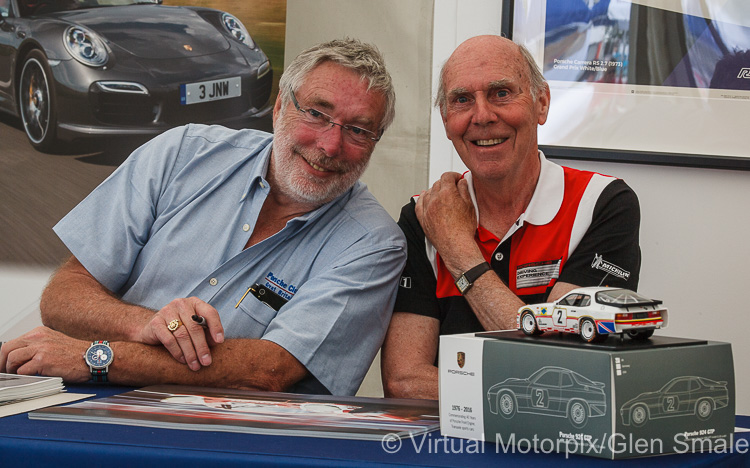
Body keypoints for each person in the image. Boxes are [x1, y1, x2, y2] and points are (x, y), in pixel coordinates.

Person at [0, 38, 406, 396]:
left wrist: (99, 359)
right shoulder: (183, 153)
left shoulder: (372, 243)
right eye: (317, 113)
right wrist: (141, 324)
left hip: (228, 439)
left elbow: (269, 369)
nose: (330, 144)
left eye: (358, 131)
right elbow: (64, 294)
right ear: (280, 105)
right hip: (90, 406)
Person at [381, 35, 640, 400]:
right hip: (450, 446)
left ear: (541, 104)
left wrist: (458, 250)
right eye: (461, 100)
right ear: (445, 119)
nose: (482, 116)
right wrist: (513, 390)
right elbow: (404, 383)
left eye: (501, 93)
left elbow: (563, 368)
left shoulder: (602, 204)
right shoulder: (423, 216)